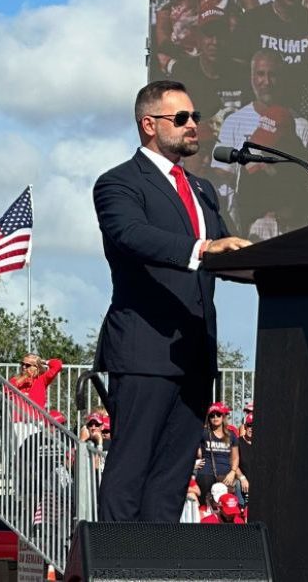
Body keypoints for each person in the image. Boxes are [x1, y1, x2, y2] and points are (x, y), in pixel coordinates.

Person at [93, 80, 252, 523]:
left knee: (171, 478)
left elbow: (226, 251)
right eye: (180, 118)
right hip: (145, 349)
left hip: (195, 356)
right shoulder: (119, 183)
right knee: (130, 471)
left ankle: (153, 557)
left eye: (194, 117)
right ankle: (116, 559)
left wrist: (276, 266)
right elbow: (132, 235)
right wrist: (202, 248)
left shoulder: (202, 190)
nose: (192, 125)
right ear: (149, 124)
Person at [214, 48, 308, 231]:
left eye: (273, 75)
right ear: (251, 77)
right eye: (260, 74)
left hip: (290, 224)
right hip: (246, 222)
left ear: (283, 78)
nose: (267, 82)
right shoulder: (235, 122)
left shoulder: (301, 125)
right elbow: (222, 174)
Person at [153, 0, 252, 75]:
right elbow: (162, 31)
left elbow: (233, 29)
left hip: (215, 63)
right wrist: (177, 64)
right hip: (179, 61)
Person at [195, 402, 241, 497]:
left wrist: (233, 472)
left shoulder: (231, 435)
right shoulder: (203, 433)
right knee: (206, 503)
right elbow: (192, 450)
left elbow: (235, 457)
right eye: (212, 415)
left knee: (225, 503)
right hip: (206, 474)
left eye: (218, 414)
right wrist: (194, 464)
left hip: (226, 476)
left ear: (223, 417)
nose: (215, 417)